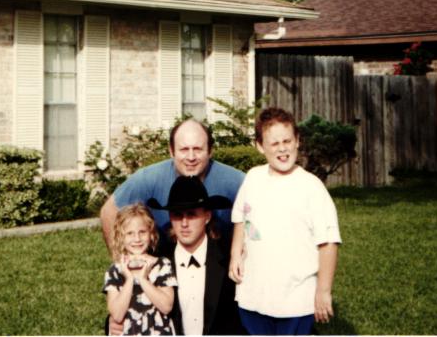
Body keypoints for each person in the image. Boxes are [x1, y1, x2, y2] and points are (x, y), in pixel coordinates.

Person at [228, 107, 341, 335]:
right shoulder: (253, 178)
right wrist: (235, 254)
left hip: (295, 299)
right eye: (274, 143)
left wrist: (323, 291)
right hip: (253, 293)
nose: (282, 148)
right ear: (260, 146)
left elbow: (328, 243)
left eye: (287, 141)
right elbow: (240, 217)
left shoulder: (311, 187)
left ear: (297, 141)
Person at [100, 119, 245, 254]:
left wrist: (239, 256)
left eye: (198, 149)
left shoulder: (235, 181)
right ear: (171, 151)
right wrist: (121, 260)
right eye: (184, 149)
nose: (191, 157)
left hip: (220, 261)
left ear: (210, 150)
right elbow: (109, 211)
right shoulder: (149, 179)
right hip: (162, 260)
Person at [147, 175, 245, 335]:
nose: (184, 223)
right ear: (170, 217)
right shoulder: (157, 261)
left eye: (191, 214)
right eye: (177, 215)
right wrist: (113, 323)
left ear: (207, 216)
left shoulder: (228, 258)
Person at [103, 204, 178, 335]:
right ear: (120, 237)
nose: (137, 239)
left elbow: (166, 307)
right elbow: (117, 315)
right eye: (130, 233)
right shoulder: (115, 271)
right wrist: (129, 279)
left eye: (142, 232)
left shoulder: (162, 265)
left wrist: (143, 279)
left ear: (151, 234)